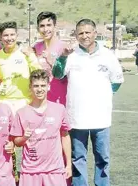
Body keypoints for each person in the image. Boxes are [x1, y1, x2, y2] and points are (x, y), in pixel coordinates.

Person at [52, 19, 124, 186]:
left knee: (102, 158)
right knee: (78, 158)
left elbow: (117, 81)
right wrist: (62, 57)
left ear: (95, 34)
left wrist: (103, 96)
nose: (84, 36)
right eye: (81, 33)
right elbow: (57, 75)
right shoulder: (71, 55)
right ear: (76, 35)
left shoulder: (108, 55)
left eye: (88, 32)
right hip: (77, 117)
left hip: (101, 117)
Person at [10, 69, 72, 186]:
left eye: (43, 85)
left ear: (48, 86)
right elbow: (17, 142)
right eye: (36, 86)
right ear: (30, 87)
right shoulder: (21, 113)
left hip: (55, 170)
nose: (39, 89)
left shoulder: (59, 109)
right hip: (30, 172)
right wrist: (24, 138)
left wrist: (68, 164)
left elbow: (65, 136)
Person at [0, 21, 41, 114]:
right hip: (5, 101)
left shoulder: (25, 53)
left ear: (17, 35)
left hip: (24, 101)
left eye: (12, 35)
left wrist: (31, 57)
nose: (9, 38)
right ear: (0, 37)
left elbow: (39, 74)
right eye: (5, 35)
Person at [33, 11, 68, 105]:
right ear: (38, 28)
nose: (45, 29)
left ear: (55, 27)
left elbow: (66, 75)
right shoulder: (36, 47)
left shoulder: (64, 48)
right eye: (42, 26)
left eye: (49, 25)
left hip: (58, 101)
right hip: (40, 101)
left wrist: (52, 62)